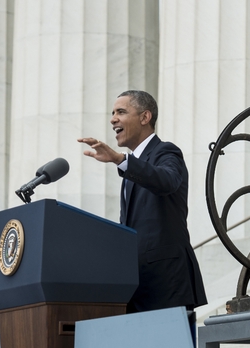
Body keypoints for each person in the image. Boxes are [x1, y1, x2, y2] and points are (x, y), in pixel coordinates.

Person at [79, 90, 207, 315]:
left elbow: (166, 181)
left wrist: (120, 159)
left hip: (166, 285)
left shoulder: (165, 152)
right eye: (112, 113)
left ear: (145, 117)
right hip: (136, 288)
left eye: (121, 112)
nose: (112, 119)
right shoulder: (131, 166)